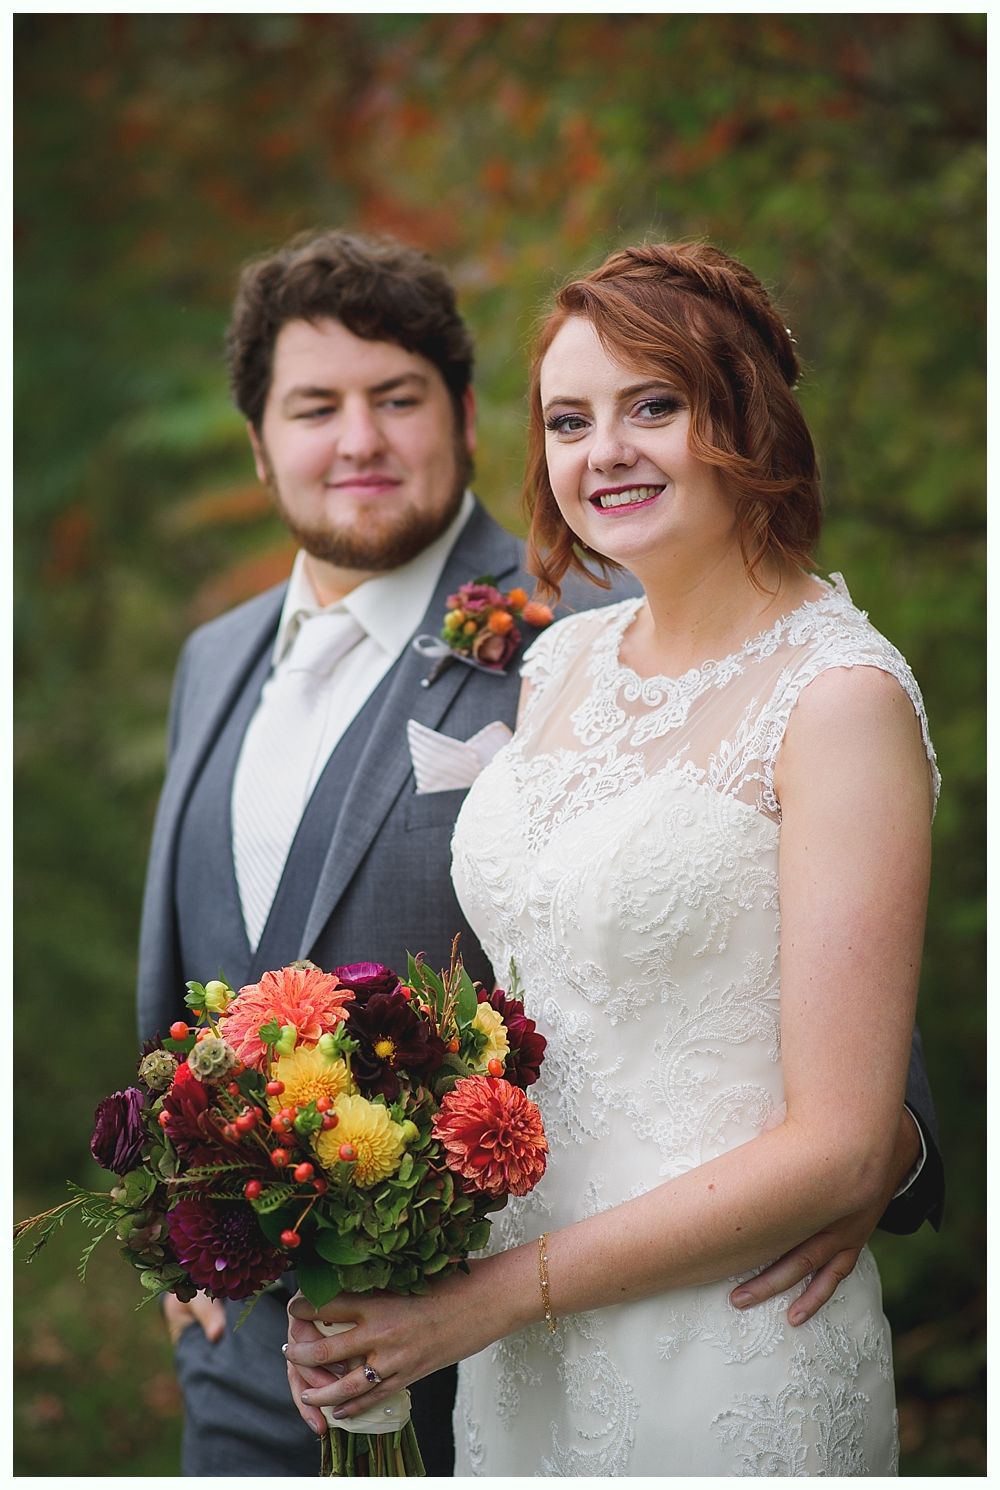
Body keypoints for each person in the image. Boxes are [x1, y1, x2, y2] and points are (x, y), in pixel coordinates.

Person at [283, 241, 943, 1476]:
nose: (605, 451)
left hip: (725, 1334)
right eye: (569, 420)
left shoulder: (838, 697)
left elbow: (843, 1141)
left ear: (742, 413)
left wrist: (485, 1299)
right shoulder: (558, 663)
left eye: (654, 405)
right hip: (514, 1349)